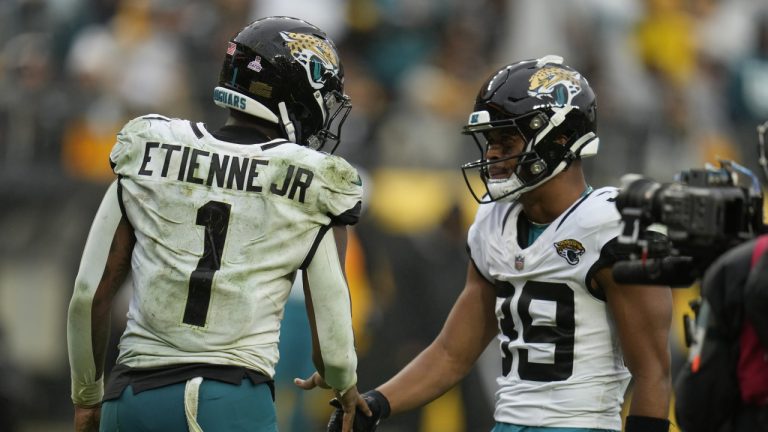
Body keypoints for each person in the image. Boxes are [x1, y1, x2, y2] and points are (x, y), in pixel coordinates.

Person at [317, 55, 674, 432]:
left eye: (507, 139)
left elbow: (653, 374)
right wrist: (376, 403)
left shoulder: (614, 225)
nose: (491, 153)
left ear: (560, 138)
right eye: (489, 141)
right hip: (506, 423)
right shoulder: (494, 220)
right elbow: (453, 352)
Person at [67, 16, 370, 432]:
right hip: (228, 398)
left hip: (132, 397)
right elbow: (333, 339)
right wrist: (342, 381)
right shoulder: (316, 182)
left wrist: (87, 398)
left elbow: (88, 294)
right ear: (298, 91)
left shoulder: (149, 148)